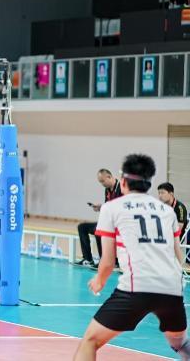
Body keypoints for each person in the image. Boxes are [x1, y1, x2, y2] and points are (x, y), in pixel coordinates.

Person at [73, 153, 190, 361]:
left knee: (90, 341)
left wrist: (99, 281)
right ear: (149, 184)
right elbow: (177, 253)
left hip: (137, 288)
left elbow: (108, 261)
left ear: (123, 182)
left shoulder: (111, 208)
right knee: (180, 344)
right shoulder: (167, 211)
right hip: (172, 288)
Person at [74, 169, 122, 268]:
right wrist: (101, 208)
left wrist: (103, 207)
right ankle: (88, 259)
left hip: (118, 224)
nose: (102, 184)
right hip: (108, 223)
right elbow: (108, 208)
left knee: (99, 230)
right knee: (82, 227)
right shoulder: (107, 190)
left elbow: (120, 208)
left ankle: (108, 261)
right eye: (100, 182)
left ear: (109, 177)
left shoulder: (121, 188)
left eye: (103, 181)